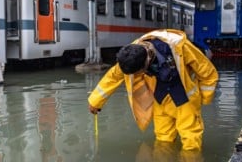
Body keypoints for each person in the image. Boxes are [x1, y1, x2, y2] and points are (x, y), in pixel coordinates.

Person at [88, 29, 219, 151]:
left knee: (191, 142)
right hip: (160, 100)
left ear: (145, 64)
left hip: (184, 100)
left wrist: (205, 98)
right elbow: (113, 76)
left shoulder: (178, 45)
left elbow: (206, 71)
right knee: (163, 140)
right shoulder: (131, 53)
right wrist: (95, 102)